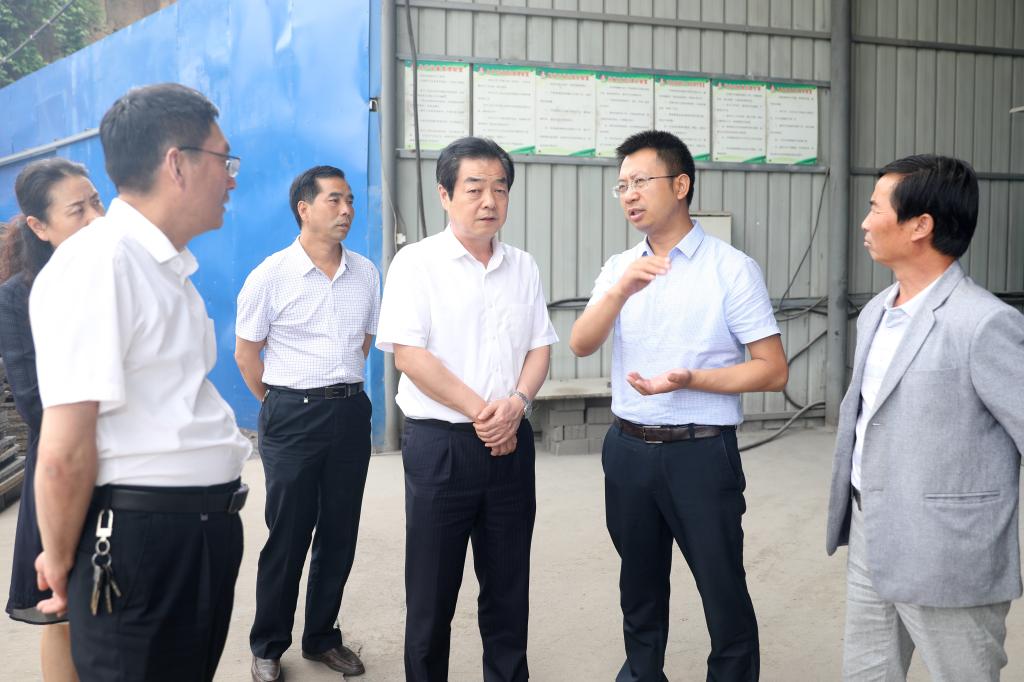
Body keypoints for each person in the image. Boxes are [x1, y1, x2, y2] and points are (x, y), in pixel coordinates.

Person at [29, 82, 251, 682]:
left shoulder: (163, 266)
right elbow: (64, 448)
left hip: (193, 532)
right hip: (140, 541)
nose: (232, 179)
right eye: (224, 160)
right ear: (177, 164)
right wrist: (60, 556)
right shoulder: (99, 263)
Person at [570, 130, 787, 681]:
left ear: (681, 184)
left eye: (641, 181)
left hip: (701, 453)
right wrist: (620, 290)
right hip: (627, 449)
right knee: (639, 585)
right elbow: (581, 343)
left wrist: (693, 380)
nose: (629, 194)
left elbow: (772, 368)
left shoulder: (731, 268)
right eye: (622, 185)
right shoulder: (620, 267)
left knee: (722, 587)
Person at [825, 154, 1024, 681]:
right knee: (867, 672)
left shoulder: (984, 323)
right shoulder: (876, 311)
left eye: (876, 209)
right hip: (872, 530)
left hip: (948, 551)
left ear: (920, 226)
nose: (865, 222)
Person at [375, 136, 557, 682]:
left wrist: (517, 405)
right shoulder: (416, 263)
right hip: (443, 447)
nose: (489, 201)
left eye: (500, 188)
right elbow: (410, 355)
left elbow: (540, 347)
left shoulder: (522, 266)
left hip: (511, 446)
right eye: (474, 188)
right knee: (432, 593)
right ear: (445, 195)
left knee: (508, 588)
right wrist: (488, 415)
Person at [236, 165, 380, 681]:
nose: (346, 210)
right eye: (334, 200)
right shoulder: (270, 274)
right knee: (289, 533)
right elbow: (247, 354)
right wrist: (280, 404)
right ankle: (268, 644)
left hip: (350, 411)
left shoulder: (365, 273)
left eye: (350, 201)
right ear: (304, 208)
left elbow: (363, 342)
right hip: (291, 414)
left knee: (340, 532)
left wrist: (335, 394)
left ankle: (322, 638)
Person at [1, 158, 104, 681]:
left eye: (97, 202)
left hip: (133, 472)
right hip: (65, 467)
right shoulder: (19, 295)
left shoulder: (119, 274)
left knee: (124, 611)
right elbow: (33, 401)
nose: (95, 218)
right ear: (39, 226)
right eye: (77, 210)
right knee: (63, 617)